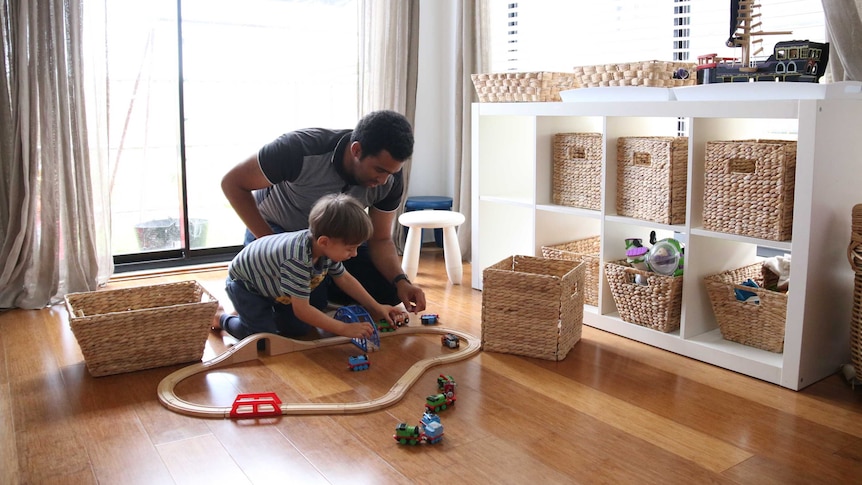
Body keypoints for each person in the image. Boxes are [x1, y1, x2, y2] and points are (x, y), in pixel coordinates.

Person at [221, 110, 427, 313]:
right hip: (277, 231)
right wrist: (274, 245)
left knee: (389, 292)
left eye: (391, 172)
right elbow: (232, 183)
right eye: (379, 170)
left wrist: (402, 281)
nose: (383, 180)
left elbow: (380, 239)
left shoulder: (390, 179)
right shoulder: (297, 149)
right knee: (306, 304)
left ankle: (323, 282)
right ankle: (313, 289)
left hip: (333, 240)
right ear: (356, 150)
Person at [213, 193, 407, 340]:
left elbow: (345, 279)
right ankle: (221, 318)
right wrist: (343, 329)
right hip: (246, 285)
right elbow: (302, 310)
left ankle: (249, 312)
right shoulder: (297, 260)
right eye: (350, 248)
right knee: (261, 337)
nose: (355, 254)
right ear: (324, 241)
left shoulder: (325, 248)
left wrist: (376, 306)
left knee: (299, 329)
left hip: (274, 285)